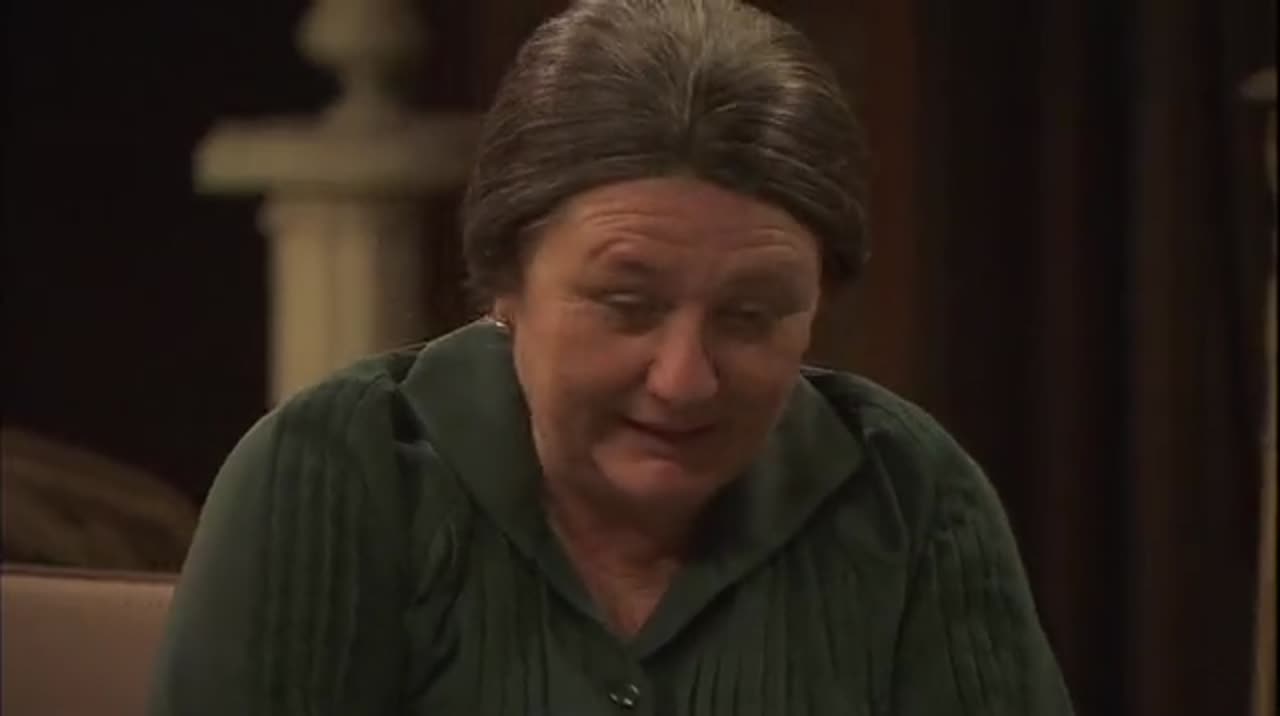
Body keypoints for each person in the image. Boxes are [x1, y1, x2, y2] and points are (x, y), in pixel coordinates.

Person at [150, 0, 1075, 713]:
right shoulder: (335, 475)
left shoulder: (909, 497)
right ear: (505, 279)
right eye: (627, 306)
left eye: (751, 317)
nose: (683, 380)